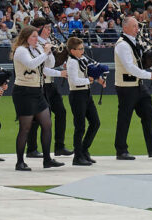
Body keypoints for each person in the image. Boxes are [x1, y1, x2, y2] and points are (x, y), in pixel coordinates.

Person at [113, 17, 152, 160]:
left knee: (149, 114)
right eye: (134, 26)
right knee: (124, 118)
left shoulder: (133, 42)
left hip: (137, 85)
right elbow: (129, 67)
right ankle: (121, 150)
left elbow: (139, 62)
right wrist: (148, 75)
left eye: (137, 26)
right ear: (125, 28)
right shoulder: (122, 45)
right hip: (126, 86)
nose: (137, 29)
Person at [10, 25, 62, 171]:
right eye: (33, 36)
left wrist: (50, 55)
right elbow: (32, 64)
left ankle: (47, 159)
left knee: (47, 124)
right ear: (26, 37)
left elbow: (45, 66)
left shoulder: (36, 49)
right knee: (25, 128)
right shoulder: (21, 50)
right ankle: (19, 162)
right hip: (24, 92)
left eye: (36, 36)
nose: (36, 39)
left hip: (37, 92)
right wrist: (45, 53)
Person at [26, 19, 71, 159]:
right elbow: (42, 69)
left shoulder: (46, 43)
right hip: (40, 84)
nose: (49, 30)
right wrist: (60, 73)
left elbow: (51, 63)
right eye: (46, 28)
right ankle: (32, 148)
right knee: (38, 118)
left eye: (49, 27)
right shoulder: (34, 44)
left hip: (50, 84)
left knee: (61, 112)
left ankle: (59, 146)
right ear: (38, 29)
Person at [64, 36, 102, 166]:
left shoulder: (82, 59)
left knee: (95, 122)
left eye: (82, 48)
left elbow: (90, 70)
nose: (82, 51)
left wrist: (98, 78)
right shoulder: (72, 62)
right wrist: (90, 80)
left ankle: (84, 149)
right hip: (77, 94)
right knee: (80, 126)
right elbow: (74, 80)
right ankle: (77, 156)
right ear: (72, 50)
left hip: (86, 93)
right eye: (80, 49)